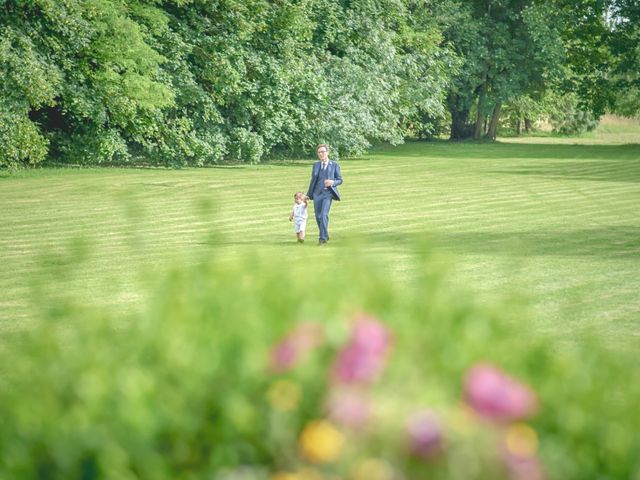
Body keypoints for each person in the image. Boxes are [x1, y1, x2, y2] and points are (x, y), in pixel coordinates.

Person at [306, 144, 342, 245]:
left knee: (323, 215)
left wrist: (332, 182)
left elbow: (340, 180)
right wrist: (309, 194)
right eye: (319, 152)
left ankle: (322, 238)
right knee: (318, 216)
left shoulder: (334, 165)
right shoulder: (316, 165)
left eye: (323, 152)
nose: (321, 154)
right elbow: (313, 181)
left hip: (328, 194)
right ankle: (325, 234)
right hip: (317, 193)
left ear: (327, 152)